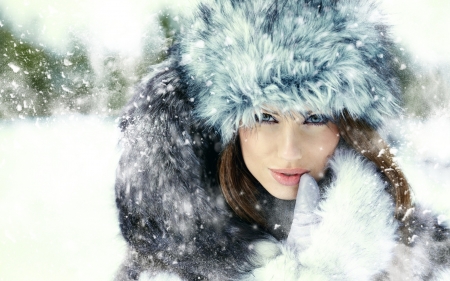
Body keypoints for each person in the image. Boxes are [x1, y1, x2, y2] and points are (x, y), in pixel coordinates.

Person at [114, 0, 450, 280]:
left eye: (315, 118)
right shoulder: (169, 262)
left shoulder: (415, 255)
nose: (289, 151)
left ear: (348, 127)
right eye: (265, 118)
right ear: (229, 128)